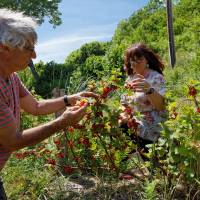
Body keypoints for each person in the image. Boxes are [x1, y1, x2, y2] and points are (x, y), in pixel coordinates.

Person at [0, 9, 98, 199]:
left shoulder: (11, 77)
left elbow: (35, 107)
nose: (35, 55)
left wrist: (68, 100)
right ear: (4, 48)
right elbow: (12, 141)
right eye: (29, 48)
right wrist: (61, 122)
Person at [119, 43, 166, 156]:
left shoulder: (156, 77)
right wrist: (123, 114)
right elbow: (123, 103)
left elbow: (161, 106)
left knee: (159, 163)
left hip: (155, 126)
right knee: (121, 126)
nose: (135, 62)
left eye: (139, 58)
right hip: (137, 124)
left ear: (147, 59)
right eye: (132, 60)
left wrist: (148, 89)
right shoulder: (129, 79)